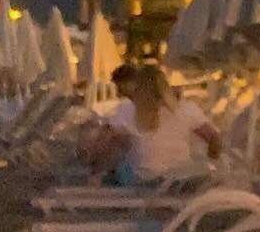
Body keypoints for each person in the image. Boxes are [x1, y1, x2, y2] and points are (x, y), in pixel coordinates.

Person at [90, 64, 222, 185]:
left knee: (115, 171)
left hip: (141, 182)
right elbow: (215, 139)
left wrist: (95, 169)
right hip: (178, 180)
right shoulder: (186, 109)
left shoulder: (126, 110)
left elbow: (101, 146)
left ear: (138, 88)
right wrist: (211, 163)